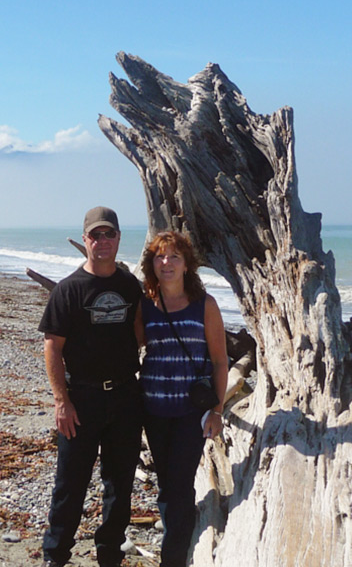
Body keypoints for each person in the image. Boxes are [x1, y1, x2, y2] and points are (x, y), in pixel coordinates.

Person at [38, 206, 144, 567]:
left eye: (109, 234)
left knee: (119, 485)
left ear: (118, 239)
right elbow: (53, 347)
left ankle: (109, 555)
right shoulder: (68, 290)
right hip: (81, 399)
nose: (102, 241)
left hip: (126, 398)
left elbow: (140, 334)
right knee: (71, 484)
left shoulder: (130, 286)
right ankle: (55, 556)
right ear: (85, 240)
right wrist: (61, 401)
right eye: (95, 235)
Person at [137, 231, 228, 567]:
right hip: (154, 409)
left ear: (188, 264)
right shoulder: (146, 305)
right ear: (152, 264)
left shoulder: (205, 305)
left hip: (191, 412)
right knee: (168, 484)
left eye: (174, 256)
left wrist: (217, 410)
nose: (167, 262)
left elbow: (220, 361)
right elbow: (128, 347)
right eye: (160, 257)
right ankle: (179, 537)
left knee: (179, 482)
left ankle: (172, 559)